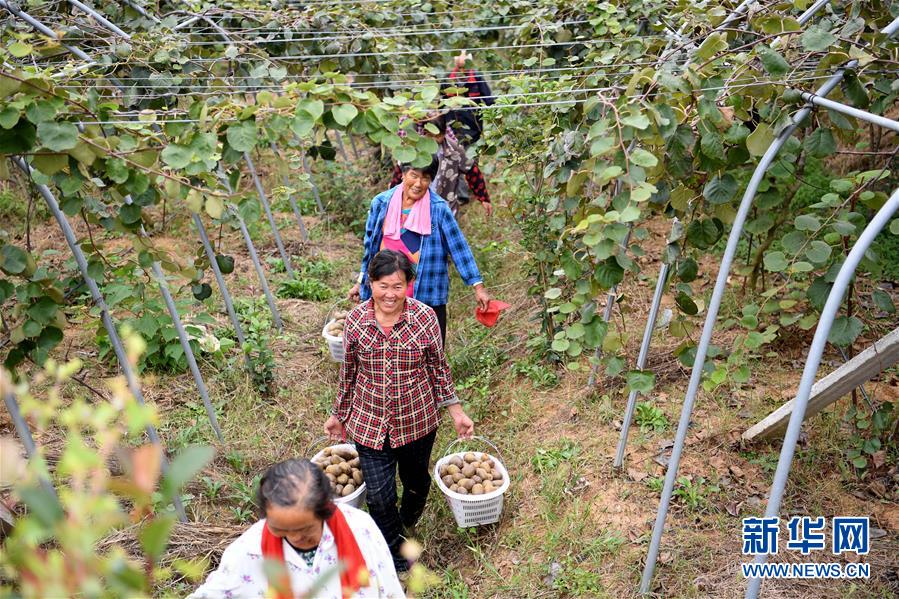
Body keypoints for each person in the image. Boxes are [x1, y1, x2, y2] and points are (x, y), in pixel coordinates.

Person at [326, 250, 475, 573]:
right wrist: (338, 414)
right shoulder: (357, 321)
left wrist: (456, 411)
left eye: (398, 286)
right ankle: (394, 554)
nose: (390, 294)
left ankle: (404, 522)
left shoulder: (424, 318)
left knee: (416, 484)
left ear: (409, 284)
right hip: (369, 421)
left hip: (416, 421)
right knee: (379, 498)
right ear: (370, 283)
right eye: (383, 286)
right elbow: (348, 373)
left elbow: (438, 368)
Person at [188, 459, 404, 599]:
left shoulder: (360, 529)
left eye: (305, 529)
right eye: (280, 530)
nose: (294, 537)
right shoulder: (248, 551)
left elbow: (389, 589)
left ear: (325, 510)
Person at [348, 157, 491, 345]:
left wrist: (478, 287)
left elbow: (459, 248)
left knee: (429, 348)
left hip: (426, 291)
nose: (418, 183)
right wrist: (361, 282)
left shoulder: (438, 209)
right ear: (403, 174)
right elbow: (370, 247)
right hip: (388, 292)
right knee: (386, 346)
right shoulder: (381, 203)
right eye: (414, 175)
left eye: (425, 178)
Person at [388, 114, 492, 217]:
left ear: (444, 132)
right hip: (414, 210)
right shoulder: (414, 149)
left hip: (444, 209)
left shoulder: (454, 151)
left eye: (438, 136)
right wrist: (391, 197)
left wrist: (483, 198)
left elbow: (473, 172)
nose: (435, 139)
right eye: (431, 135)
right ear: (425, 132)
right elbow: (399, 173)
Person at [441, 51, 494, 147]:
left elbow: (488, 99)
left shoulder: (477, 77)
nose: (462, 70)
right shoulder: (447, 79)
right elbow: (442, 102)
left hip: (473, 123)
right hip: (453, 122)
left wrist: (495, 114)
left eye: (464, 67)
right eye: (460, 67)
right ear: (456, 65)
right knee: (455, 147)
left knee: (473, 147)